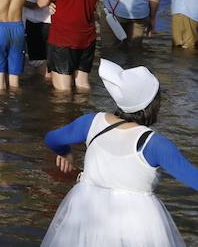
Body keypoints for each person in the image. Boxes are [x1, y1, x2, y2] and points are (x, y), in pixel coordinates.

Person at [42, 60, 198, 246]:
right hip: (137, 223)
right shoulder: (154, 144)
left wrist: (65, 152)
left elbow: (51, 139)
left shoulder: (91, 122)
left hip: (88, 213)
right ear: (153, 105)